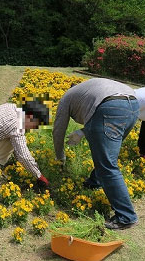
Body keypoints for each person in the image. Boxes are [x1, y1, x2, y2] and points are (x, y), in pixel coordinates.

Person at [53, 78, 139, 230]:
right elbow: (96, 121)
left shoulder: (67, 96)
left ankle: (126, 217)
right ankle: (94, 181)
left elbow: (58, 131)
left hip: (110, 106)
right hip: (133, 105)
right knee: (108, 157)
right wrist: (83, 132)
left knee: (107, 164)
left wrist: (60, 157)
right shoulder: (89, 88)